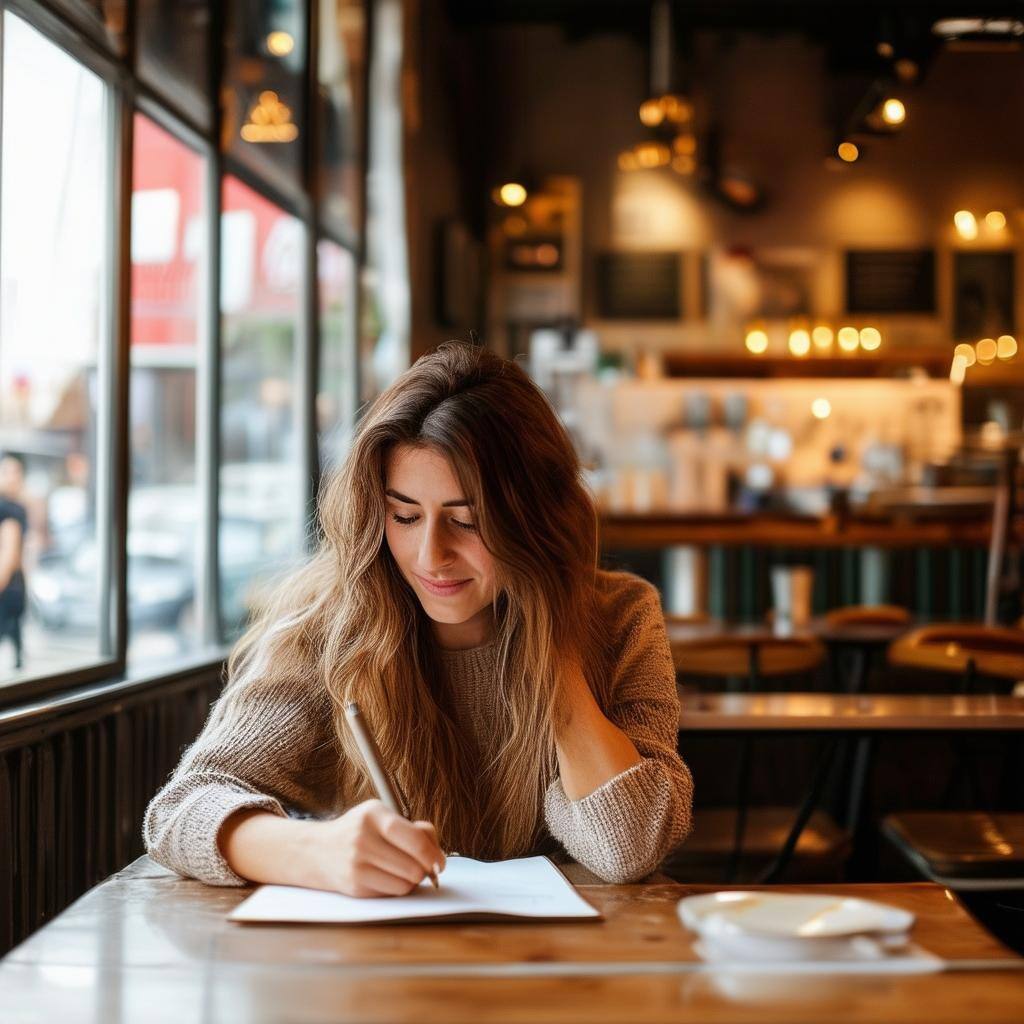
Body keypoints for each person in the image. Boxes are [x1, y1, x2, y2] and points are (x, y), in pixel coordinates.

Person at [144, 343, 693, 895]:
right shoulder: (330, 626)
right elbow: (181, 809)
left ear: (535, 521)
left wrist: (550, 625)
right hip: (380, 965)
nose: (431, 555)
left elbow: (628, 846)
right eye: (405, 515)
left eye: (469, 521)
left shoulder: (621, 618)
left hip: (562, 966)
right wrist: (318, 852)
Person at [0, 453, 29, 668]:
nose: (12, 477)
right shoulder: (12, 507)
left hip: (7, 586)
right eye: (7, 471)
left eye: (16, 472)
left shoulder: (11, 509)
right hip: (12, 585)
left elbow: (10, 554)